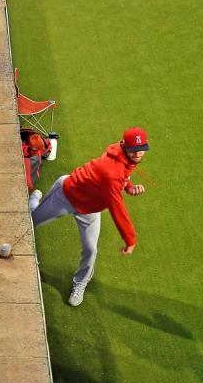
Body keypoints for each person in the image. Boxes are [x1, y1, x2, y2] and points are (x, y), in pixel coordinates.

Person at [29, 127, 150, 306]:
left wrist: (129, 187)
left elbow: (124, 175)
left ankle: (80, 283)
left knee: (90, 250)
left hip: (90, 210)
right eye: (134, 149)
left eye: (142, 149)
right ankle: (34, 202)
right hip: (66, 196)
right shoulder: (112, 171)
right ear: (124, 146)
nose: (138, 153)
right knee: (29, 223)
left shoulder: (125, 155)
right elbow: (118, 208)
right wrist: (130, 239)